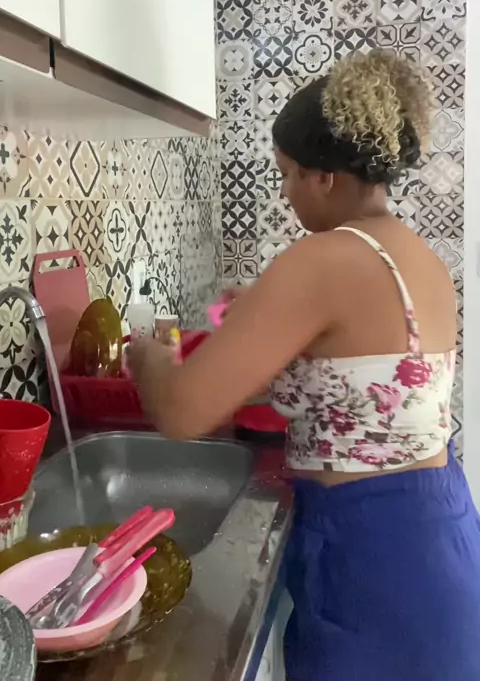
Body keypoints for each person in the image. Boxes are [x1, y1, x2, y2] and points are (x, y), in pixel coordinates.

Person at [127, 50, 480, 681]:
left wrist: (146, 352)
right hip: (437, 534)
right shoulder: (417, 258)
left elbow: (180, 410)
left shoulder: (323, 258)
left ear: (325, 178)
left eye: (287, 173)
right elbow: (360, 380)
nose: (286, 191)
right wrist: (267, 321)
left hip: (374, 560)